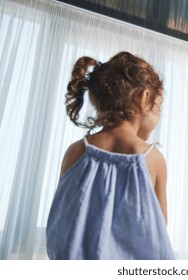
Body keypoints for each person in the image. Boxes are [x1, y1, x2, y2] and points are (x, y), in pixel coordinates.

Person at [46, 51, 175, 260]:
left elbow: (61, 219)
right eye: (158, 106)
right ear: (144, 98)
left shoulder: (77, 150)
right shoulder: (152, 158)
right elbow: (159, 225)